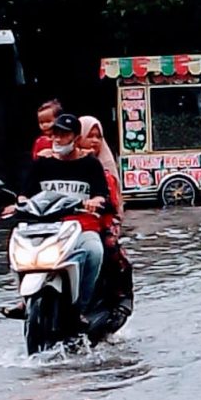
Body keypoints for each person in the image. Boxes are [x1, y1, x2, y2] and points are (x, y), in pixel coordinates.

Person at [1, 114, 111, 322]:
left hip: (81, 225)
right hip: (43, 225)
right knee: (15, 247)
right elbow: (25, 193)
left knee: (94, 251)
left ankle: (82, 307)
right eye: (56, 135)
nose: (58, 140)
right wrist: (17, 205)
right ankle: (25, 301)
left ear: (76, 138)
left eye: (64, 135)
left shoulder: (90, 164)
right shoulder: (42, 163)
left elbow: (100, 194)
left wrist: (94, 201)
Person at [78, 116, 134, 323]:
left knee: (111, 248)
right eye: (88, 136)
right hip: (69, 226)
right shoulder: (64, 165)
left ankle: (122, 298)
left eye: (98, 137)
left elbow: (112, 202)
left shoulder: (104, 171)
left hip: (100, 223)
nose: (94, 141)